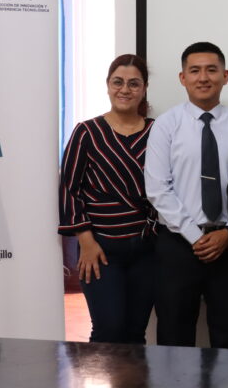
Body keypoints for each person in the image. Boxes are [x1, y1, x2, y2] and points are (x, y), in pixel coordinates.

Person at [144, 42, 228, 347]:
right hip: (178, 245)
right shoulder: (166, 126)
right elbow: (157, 189)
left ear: (225, 75)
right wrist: (195, 236)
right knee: (174, 335)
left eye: (211, 70)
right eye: (194, 71)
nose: (203, 77)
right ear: (183, 78)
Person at [59, 53, 156, 344]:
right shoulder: (86, 132)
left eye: (133, 83)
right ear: (108, 85)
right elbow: (69, 189)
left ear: (144, 88)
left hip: (147, 251)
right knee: (108, 331)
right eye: (118, 82)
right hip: (101, 249)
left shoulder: (158, 131)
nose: (125, 89)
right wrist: (86, 242)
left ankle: (134, 378)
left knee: (135, 333)